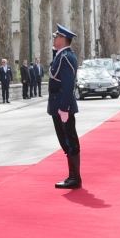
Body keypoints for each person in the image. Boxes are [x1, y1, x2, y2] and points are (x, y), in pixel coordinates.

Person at [48, 25, 81, 189]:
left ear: (63, 39)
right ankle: (72, 176)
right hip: (59, 104)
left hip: (62, 105)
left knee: (69, 140)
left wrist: (64, 108)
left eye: (56, 36)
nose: (54, 39)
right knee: (65, 141)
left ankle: (75, 178)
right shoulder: (61, 56)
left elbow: (68, 85)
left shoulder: (65, 57)